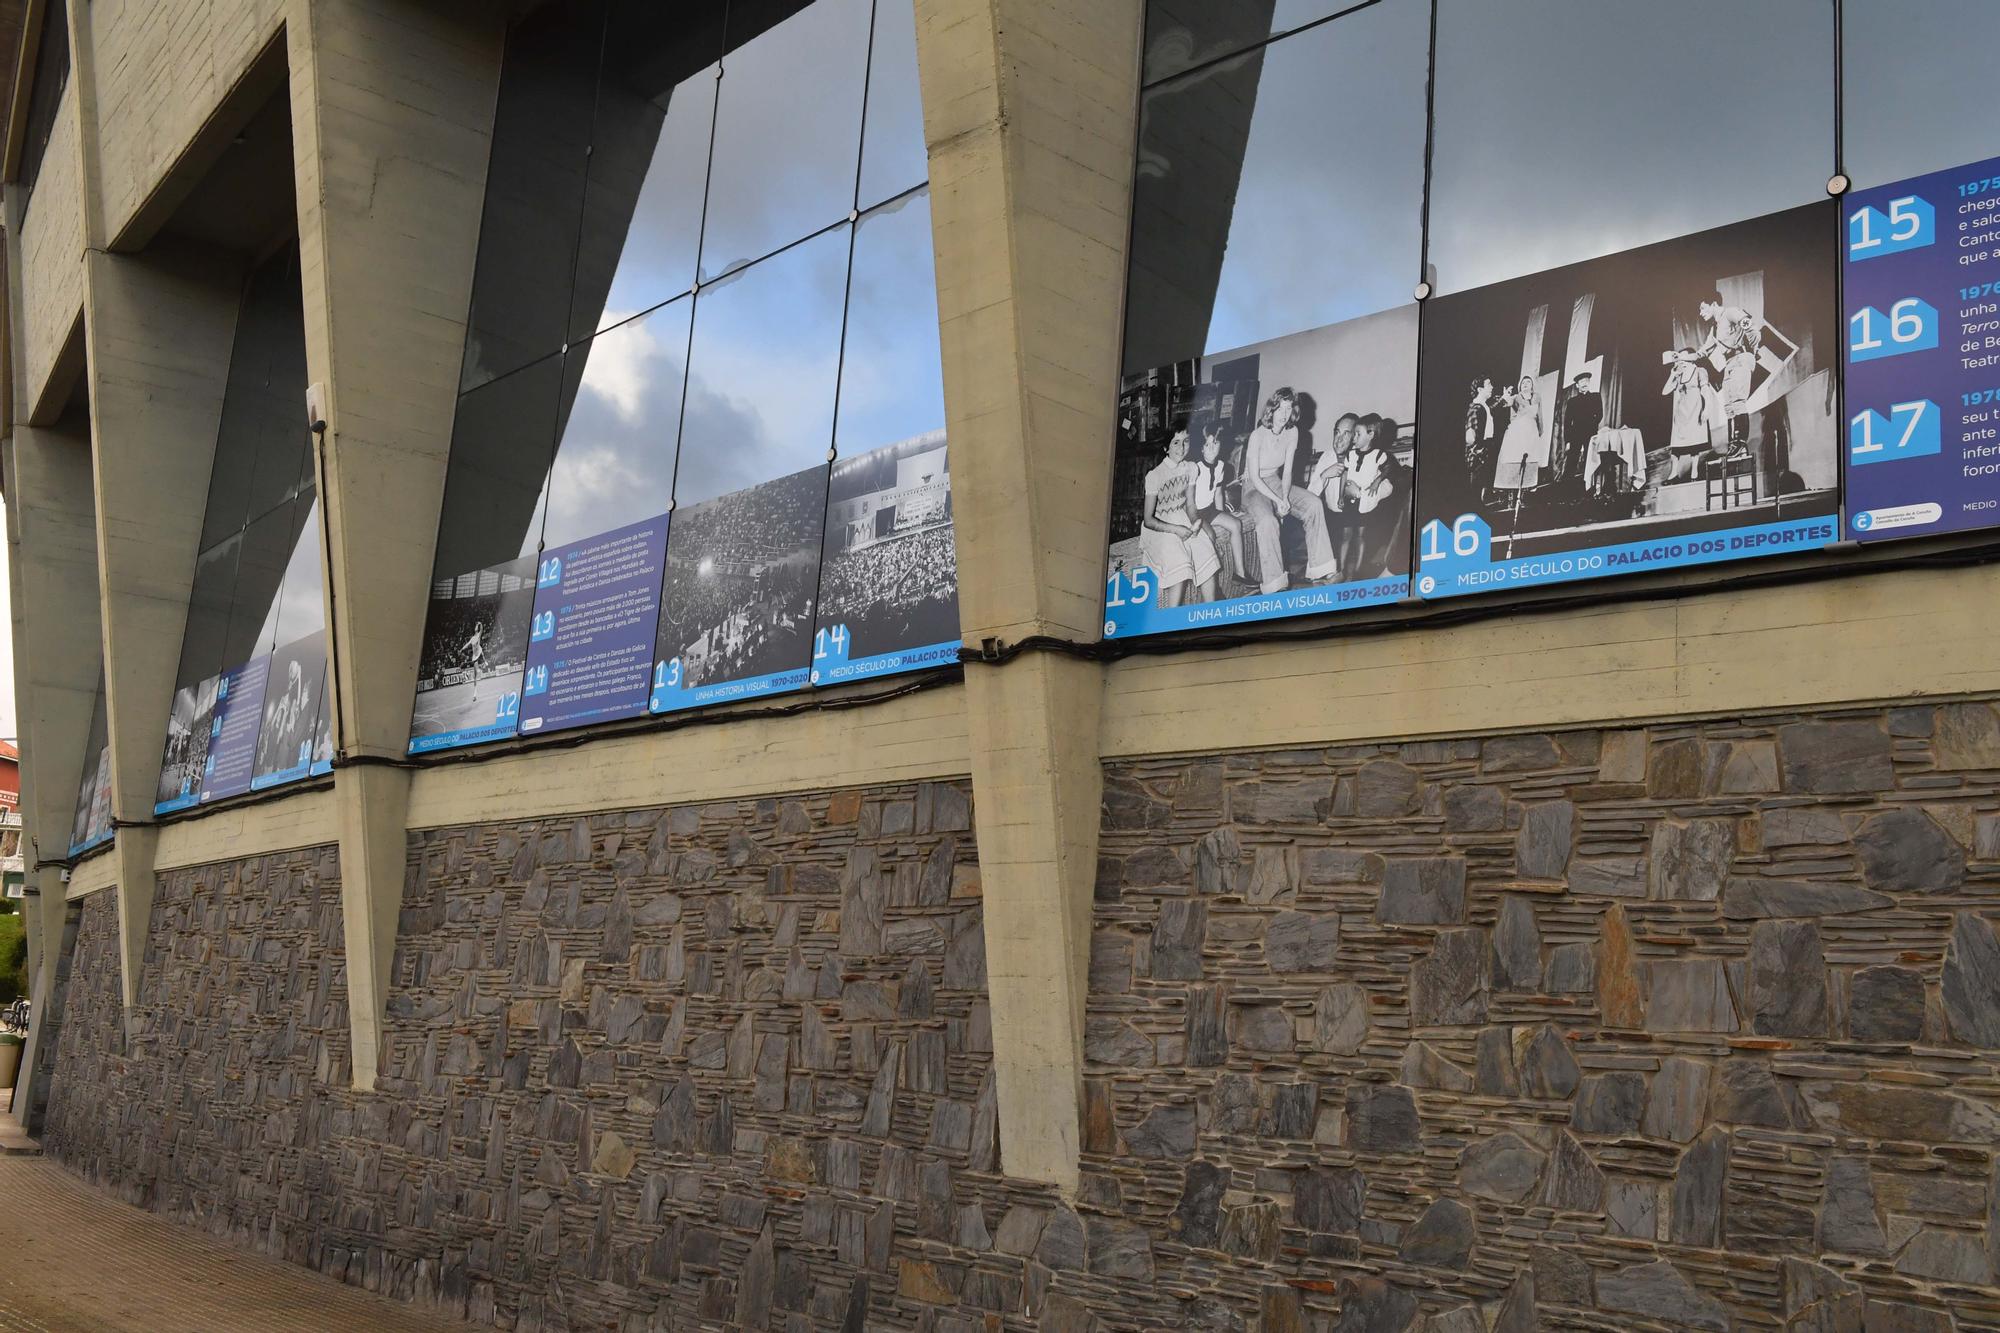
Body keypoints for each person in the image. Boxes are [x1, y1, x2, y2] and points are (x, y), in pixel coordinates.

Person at [1241, 387, 1337, 594]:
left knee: (1313, 504)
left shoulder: (1292, 432)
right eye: (1280, 408)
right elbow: (1256, 478)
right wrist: (1276, 499)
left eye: (1289, 408)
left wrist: (1284, 498)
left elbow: (1287, 472)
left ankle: (1321, 569)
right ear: (1272, 410)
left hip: (1276, 481)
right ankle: (1275, 585)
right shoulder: (1257, 436)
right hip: (1253, 487)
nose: (1284, 414)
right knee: (1268, 521)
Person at [1139, 428, 1221, 608]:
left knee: (1205, 548)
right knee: (1180, 562)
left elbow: (1191, 506)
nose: (1182, 447)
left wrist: (1196, 522)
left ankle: (1209, 613)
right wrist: (1177, 530)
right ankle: (1171, 619)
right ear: (1166, 448)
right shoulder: (1155, 476)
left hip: (1182, 518)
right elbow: (1148, 520)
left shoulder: (1191, 468)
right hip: (1159, 527)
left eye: (1186, 441)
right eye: (1176, 442)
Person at [1190, 418, 1248, 588]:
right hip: (1194, 512)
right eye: (1207, 445)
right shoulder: (1196, 467)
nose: (1211, 449)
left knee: (1236, 524)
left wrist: (1223, 515)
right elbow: (1189, 498)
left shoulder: (1221, 466)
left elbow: (1218, 494)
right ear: (1201, 447)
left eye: (1215, 444)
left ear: (1221, 445)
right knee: (1211, 537)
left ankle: (1240, 573)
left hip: (1208, 510)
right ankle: (1212, 588)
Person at [1699, 296, 1760, 449]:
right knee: (1728, 406)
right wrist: (1681, 357)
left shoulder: (1730, 312)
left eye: (1702, 308)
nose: (1701, 313)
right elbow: (1702, 352)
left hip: (1740, 358)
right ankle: (1733, 443)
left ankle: (1741, 444)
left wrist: (1752, 348)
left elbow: (1751, 327)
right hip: (1729, 363)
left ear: (1713, 303)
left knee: (1738, 402)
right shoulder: (1715, 328)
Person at [1493, 376, 1547, 491]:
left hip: (1531, 431)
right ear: (1519, 385)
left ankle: (1527, 486)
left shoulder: (1537, 397)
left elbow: (1539, 415)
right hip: (1518, 430)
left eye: (1528, 382)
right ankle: (1512, 487)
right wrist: (1506, 395)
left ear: (1532, 385)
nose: (1525, 384)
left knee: (1530, 457)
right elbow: (1506, 404)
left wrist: (1540, 430)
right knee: (1516, 457)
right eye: (1523, 383)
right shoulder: (1516, 397)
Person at [1664, 347, 1721, 449]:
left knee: (1697, 446)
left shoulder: (1700, 371)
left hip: (1695, 412)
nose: (1682, 361)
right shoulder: (1679, 376)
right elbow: (1665, 392)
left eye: (1685, 358)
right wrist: (1672, 375)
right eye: (1680, 359)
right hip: (1682, 416)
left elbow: (1706, 392)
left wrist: (1706, 409)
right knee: (1680, 448)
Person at [1556, 371, 1604, 491]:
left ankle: (1591, 488)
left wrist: (1590, 425)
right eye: (1581, 382)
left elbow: (1599, 415)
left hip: (1591, 433)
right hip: (1575, 434)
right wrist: (1568, 441)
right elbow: (1567, 422)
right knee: (1571, 462)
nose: (1584, 383)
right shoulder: (1572, 401)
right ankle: (1566, 489)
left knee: (1591, 460)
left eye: (1586, 381)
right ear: (1577, 385)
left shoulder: (1596, 397)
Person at [463, 621, 487, 701]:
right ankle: (475, 694)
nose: (475, 627)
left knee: (477, 670)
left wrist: (481, 624)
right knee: (475, 676)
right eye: (475, 626)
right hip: (475, 656)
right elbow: (468, 644)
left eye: (476, 626)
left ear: (477, 628)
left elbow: (482, 630)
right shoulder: (473, 638)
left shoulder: (478, 635)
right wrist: (462, 648)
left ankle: (483, 663)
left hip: (478, 654)